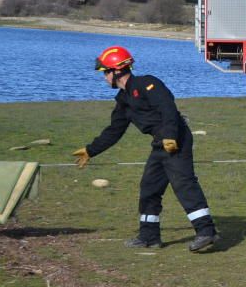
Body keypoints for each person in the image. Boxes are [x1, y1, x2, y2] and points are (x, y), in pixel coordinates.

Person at [72, 46, 219, 252]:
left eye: (105, 72)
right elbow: (114, 131)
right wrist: (90, 150)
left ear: (117, 71)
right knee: (149, 188)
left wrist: (170, 135)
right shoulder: (123, 101)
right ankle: (149, 237)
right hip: (160, 144)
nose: (104, 77)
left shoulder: (147, 83)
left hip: (177, 140)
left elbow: (168, 107)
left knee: (184, 184)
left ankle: (206, 232)